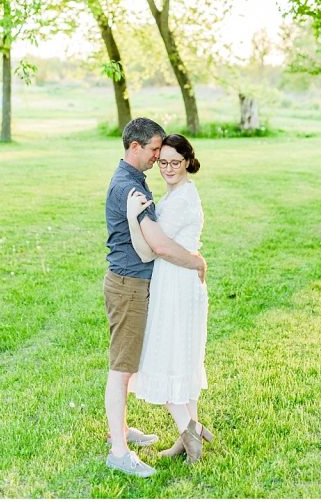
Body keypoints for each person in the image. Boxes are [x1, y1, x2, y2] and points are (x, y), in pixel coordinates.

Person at [103, 118, 207, 478]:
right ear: (136, 148)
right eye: (155, 153)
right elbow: (155, 247)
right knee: (123, 368)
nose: (159, 162)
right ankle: (119, 448)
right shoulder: (128, 188)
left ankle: (130, 431)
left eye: (168, 158)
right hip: (130, 282)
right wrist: (196, 260)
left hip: (155, 284)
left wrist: (192, 260)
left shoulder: (138, 182)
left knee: (134, 364)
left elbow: (159, 243)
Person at [126, 133, 214, 463]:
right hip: (176, 280)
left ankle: (192, 435)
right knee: (178, 357)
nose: (168, 169)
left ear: (188, 162)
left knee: (164, 357)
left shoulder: (183, 198)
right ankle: (189, 432)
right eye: (162, 162)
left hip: (177, 284)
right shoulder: (176, 194)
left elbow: (154, 249)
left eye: (175, 162)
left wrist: (135, 219)